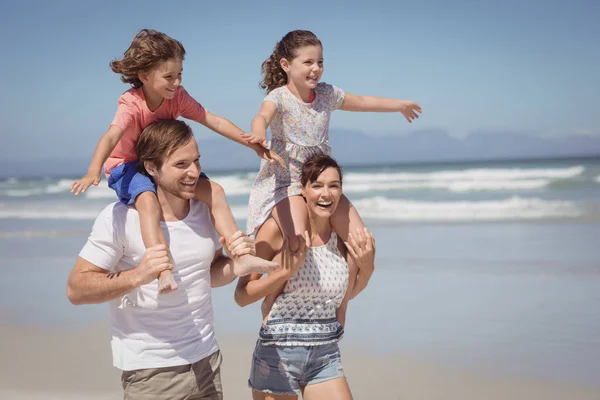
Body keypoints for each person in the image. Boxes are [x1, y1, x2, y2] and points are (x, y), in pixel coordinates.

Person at [67, 119, 278, 400]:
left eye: (196, 161)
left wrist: (235, 266)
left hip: (206, 362)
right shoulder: (119, 217)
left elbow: (209, 273)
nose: (194, 172)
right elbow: (76, 289)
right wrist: (138, 275)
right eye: (181, 165)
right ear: (151, 167)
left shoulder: (204, 211)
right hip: (151, 373)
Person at [70, 29, 281, 294]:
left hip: (161, 162)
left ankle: (240, 253)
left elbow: (211, 119)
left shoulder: (178, 96)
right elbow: (112, 135)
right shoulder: (130, 104)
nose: (176, 81)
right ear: (144, 76)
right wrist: (92, 171)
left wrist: (251, 144)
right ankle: (162, 268)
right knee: (147, 201)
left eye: (180, 74)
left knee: (214, 190)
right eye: (169, 76)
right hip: (127, 164)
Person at [243, 29, 420, 254]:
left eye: (320, 62)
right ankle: (278, 286)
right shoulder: (278, 97)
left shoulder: (326, 94)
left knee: (362, 243)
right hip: (288, 184)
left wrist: (400, 105)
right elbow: (262, 116)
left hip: (322, 180)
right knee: (299, 243)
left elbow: (364, 101)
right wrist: (259, 135)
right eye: (308, 62)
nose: (316, 68)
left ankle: (343, 289)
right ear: (286, 65)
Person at [235, 154, 375, 399]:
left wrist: (368, 267)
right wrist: (284, 273)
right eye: (317, 186)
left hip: (325, 354)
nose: (326, 194)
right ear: (303, 190)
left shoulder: (341, 241)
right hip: (278, 354)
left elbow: (346, 294)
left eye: (334, 186)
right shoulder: (277, 232)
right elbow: (242, 296)